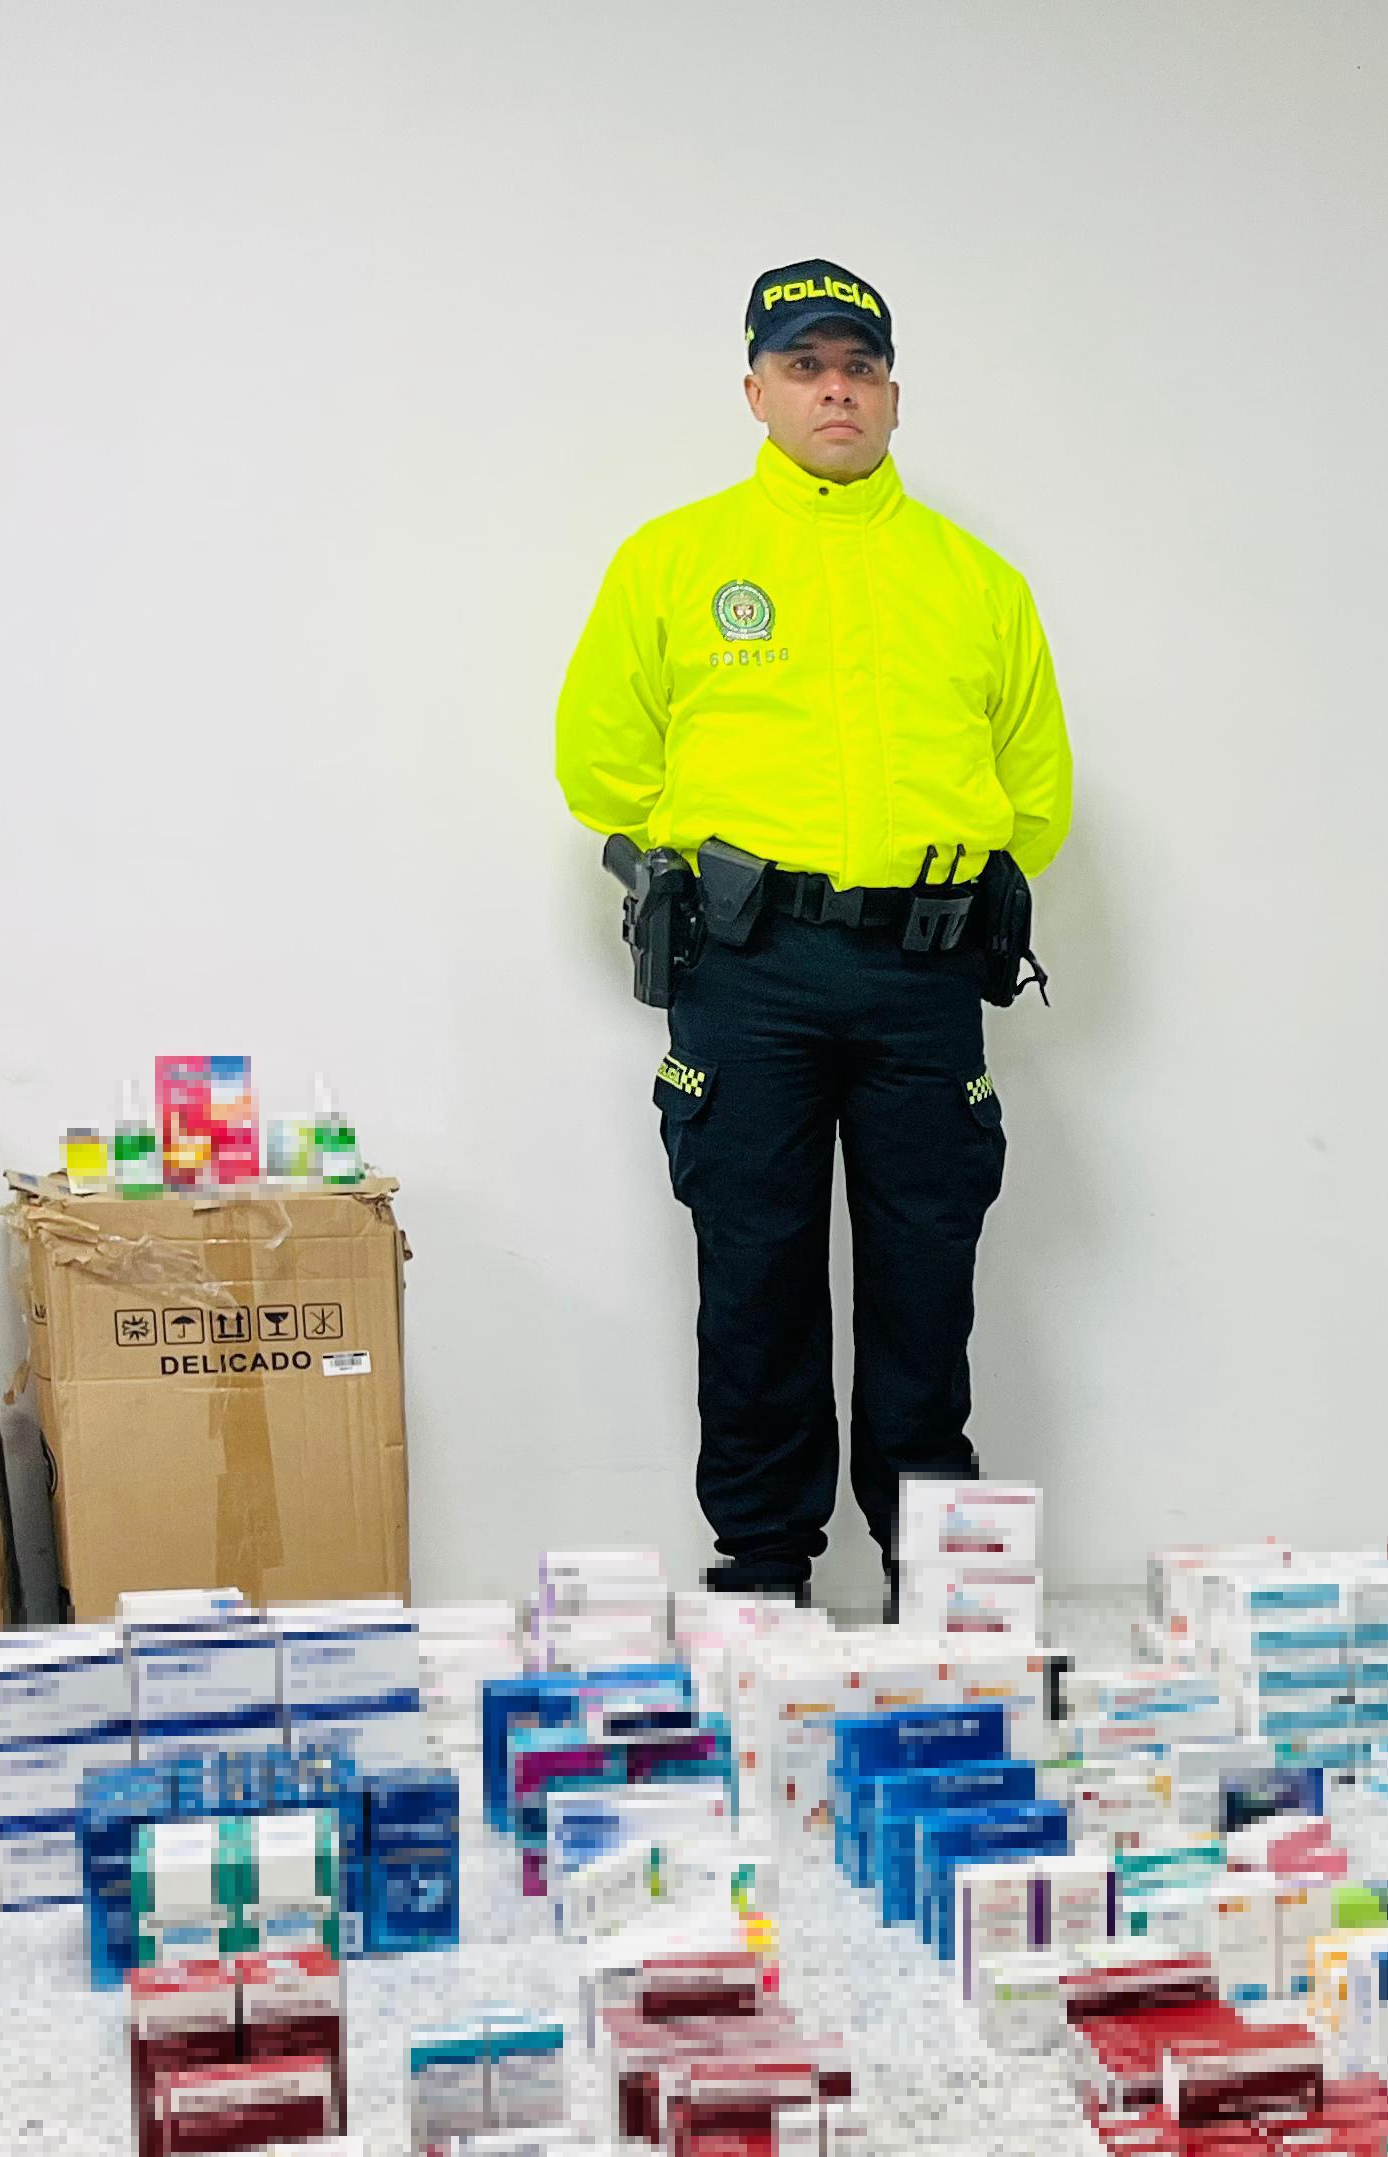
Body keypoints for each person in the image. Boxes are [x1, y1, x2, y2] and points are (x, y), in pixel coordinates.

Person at [555, 259, 1072, 1614]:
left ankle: (940, 1588)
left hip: (921, 969)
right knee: (757, 1269)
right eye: (804, 366)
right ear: (755, 390)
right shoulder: (675, 561)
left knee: (923, 1274)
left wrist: (941, 892)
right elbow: (599, 766)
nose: (835, 389)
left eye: (859, 367)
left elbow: (1038, 795)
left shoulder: (975, 582)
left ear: (893, 391)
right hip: (749, 969)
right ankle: (765, 1580)